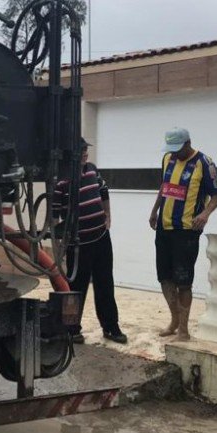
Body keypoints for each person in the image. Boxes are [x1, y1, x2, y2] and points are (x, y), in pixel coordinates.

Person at [148, 128, 217, 341]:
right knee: (164, 277)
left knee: (183, 280)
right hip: (164, 227)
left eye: (178, 149)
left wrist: (205, 214)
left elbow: (216, 196)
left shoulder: (204, 163)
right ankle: (173, 320)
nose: (175, 153)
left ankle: (184, 328)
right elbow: (164, 188)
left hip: (186, 231)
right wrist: (154, 212)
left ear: (188, 142)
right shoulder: (168, 159)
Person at [53, 139, 127, 345]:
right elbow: (54, 214)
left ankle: (111, 328)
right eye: (81, 151)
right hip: (78, 244)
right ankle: (71, 330)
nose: (85, 154)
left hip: (101, 238)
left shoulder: (93, 170)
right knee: (75, 288)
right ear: (72, 155)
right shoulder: (62, 180)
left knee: (105, 284)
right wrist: (58, 244)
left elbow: (104, 191)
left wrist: (107, 215)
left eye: (86, 151)